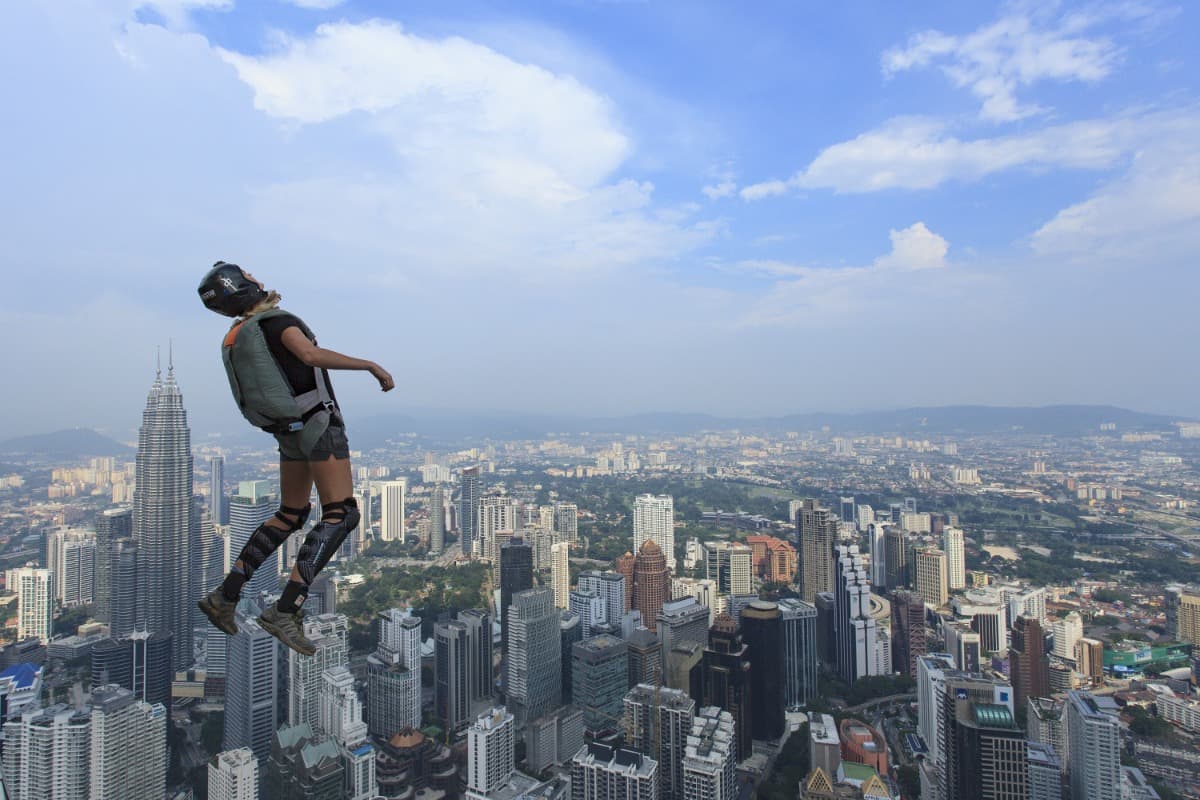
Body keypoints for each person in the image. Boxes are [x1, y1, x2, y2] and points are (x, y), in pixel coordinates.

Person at [196, 261, 393, 654]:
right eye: (248, 274)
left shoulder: (237, 335)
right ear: (241, 284)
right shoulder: (275, 322)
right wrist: (369, 365)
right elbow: (308, 354)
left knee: (290, 514)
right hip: (318, 425)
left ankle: (225, 596)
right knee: (342, 513)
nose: (256, 276)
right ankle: (286, 610)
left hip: (288, 433)